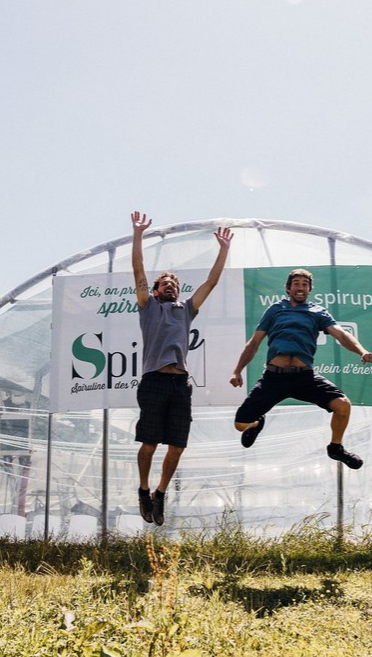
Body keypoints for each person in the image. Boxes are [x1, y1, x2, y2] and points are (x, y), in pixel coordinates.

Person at [131, 211, 232, 526]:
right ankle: (144, 490)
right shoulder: (148, 307)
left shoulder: (186, 309)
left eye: (174, 284)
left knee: (177, 445)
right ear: (156, 290)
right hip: (154, 381)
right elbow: (138, 271)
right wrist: (138, 234)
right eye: (166, 284)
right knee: (150, 443)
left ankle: (160, 492)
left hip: (180, 385)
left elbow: (211, 282)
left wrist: (224, 249)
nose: (171, 287)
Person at [229, 268, 372, 469]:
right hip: (274, 377)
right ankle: (256, 423)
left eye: (305, 284)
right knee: (240, 425)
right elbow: (254, 343)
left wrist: (361, 351)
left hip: (304, 377)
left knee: (343, 405)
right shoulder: (275, 310)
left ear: (309, 289)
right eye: (296, 283)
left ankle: (336, 447)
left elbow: (341, 335)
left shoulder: (318, 312)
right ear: (288, 288)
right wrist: (237, 370)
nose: (300, 287)